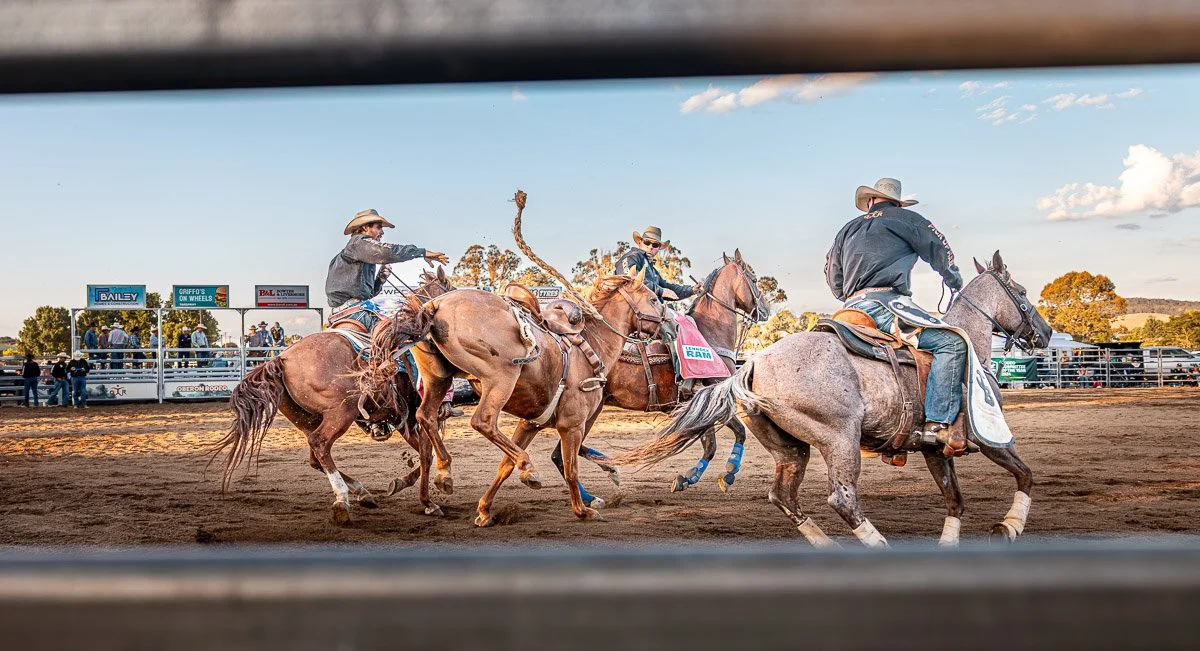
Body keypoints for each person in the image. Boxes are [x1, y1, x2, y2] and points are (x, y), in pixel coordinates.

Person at [825, 177, 967, 455]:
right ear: (897, 202)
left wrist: (850, 295)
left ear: (870, 201)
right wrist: (953, 278)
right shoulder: (907, 218)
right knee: (952, 344)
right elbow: (939, 249)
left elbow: (833, 277)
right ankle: (936, 424)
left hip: (848, 311)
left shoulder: (846, 229)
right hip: (886, 305)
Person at [325, 208, 449, 332]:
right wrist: (421, 253)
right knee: (403, 333)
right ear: (365, 228)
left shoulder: (351, 252)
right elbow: (386, 251)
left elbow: (366, 293)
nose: (382, 232)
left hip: (345, 311)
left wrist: (380, 279)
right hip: (356, 312)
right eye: (378, 227)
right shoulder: (358, 243)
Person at [613, 226, 701, 302]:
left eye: (655, 245)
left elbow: (667, 288)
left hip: (648, 311)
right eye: (647, 242)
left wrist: (691, 290)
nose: (650, 246)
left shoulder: (652, 270)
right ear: (640, 243)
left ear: (659, 248)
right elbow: (630, 280)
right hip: (631, 312)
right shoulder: (632, 256)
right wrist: (660, 291)